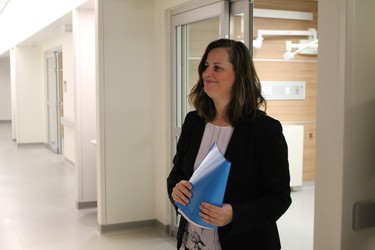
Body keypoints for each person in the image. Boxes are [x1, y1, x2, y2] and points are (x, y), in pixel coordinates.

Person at [167, 38, 291, 250]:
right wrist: (175, 189)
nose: (207, 73)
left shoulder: (264, 130)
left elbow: (278, 198)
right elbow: (177, 173)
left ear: (239, 76)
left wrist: (234, 214)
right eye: (205, 66)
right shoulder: (193, 122)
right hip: (193, 241)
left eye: (217, 68)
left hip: (245, 242)